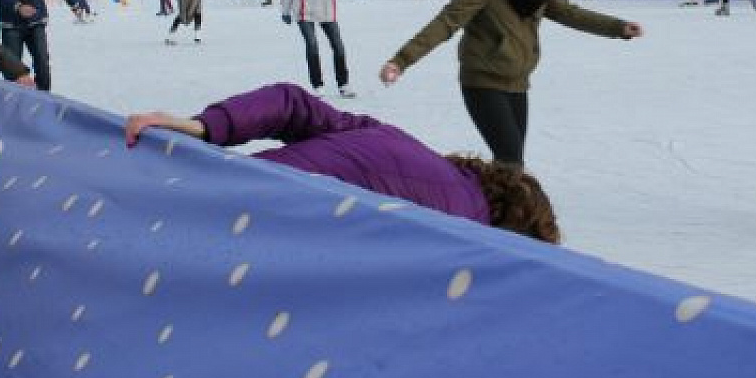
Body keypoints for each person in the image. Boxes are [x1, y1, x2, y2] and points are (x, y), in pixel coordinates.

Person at [380, 0, 643, 167]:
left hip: (517, 82)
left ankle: (494, 195)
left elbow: (569, 13)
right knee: (510, 161)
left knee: (510, 165)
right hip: (484, 82)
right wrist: (401, 60)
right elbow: (447, 22)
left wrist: (617, 27)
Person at [123, 82, 560, 242]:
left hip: (206, 198)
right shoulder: (458, 232)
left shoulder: (398, 139)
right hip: (236, 233)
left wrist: (204, 127)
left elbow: (290, 102)